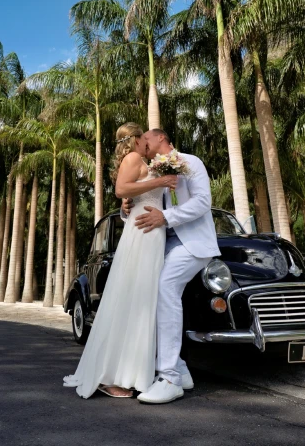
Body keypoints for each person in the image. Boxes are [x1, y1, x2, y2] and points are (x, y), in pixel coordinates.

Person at [63, 122, 177, 398]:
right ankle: (110, 375)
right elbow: (121, 189)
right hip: (141, 237)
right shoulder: (133, 157)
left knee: (143, 301)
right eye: (144, 139)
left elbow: (131, 194)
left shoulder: (144, 160)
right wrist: (161, 181)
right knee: (132, 300)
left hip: (152, 234)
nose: (147, 144)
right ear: (136, 140)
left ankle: (134, 372)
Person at [124, 129, 221, 404]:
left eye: (146, 137)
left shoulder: (191, 162)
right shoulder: (153, 173)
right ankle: (179, 367)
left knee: (166, 287)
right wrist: (127, 207)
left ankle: (170, 378)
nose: (142, 142)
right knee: (152, 294)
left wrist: (166, 217)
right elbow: (148, 208)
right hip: (162, 244)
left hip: (193, 245)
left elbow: (203, 202)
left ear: (160, 139)